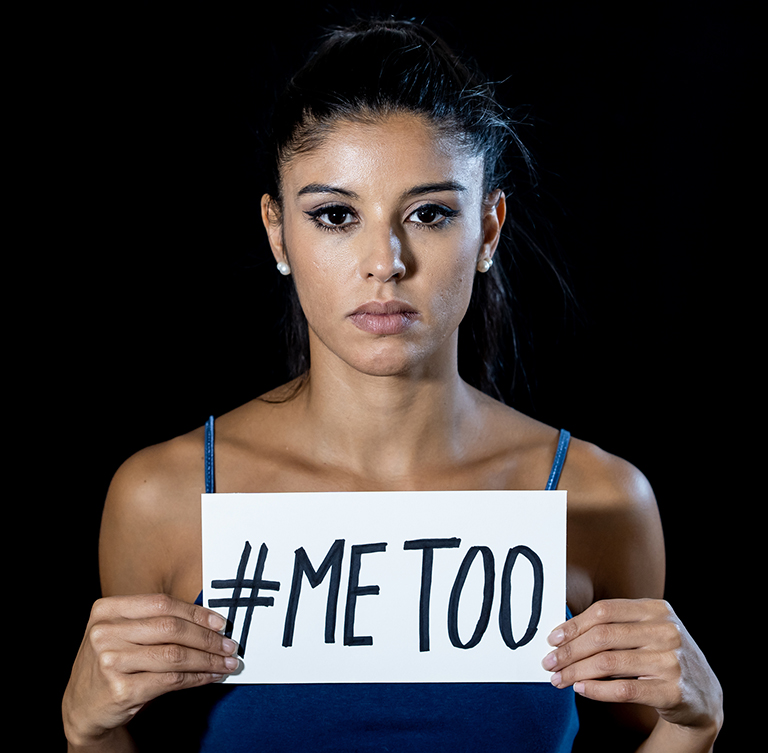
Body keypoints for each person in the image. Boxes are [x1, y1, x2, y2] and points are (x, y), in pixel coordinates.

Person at [62, 18, 723, 752]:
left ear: (489, 229)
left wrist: (692, 725)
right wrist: (88, 732)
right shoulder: (163, 497)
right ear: (278, 232)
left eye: (429, 213)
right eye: (335, 215)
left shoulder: (601, 500)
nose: (385, 261)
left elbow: (646, 736)